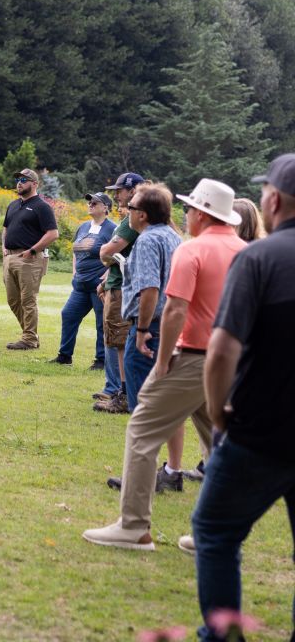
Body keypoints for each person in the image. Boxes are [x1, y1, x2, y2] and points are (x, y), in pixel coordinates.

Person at [82, 178, 244, 551]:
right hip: (229, 361)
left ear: (202, 213)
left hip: (190, 356)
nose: (185, 215)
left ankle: (133, 526)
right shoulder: (244, 250)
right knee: (218, 440)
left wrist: (163, 356)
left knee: (141, 431)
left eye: (189, 209)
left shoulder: (194, 249)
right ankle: (216, 533)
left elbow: (175, 309)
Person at [189, 153, 295, 641]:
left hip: (260, 429)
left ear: (272, 200)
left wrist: (217, 412)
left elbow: (222, 351)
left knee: (215, 532)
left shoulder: (259, 259)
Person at [118, 184, 182, 413]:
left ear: (142, 215)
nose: (127, 212)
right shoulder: (174, 237)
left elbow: (150, 289)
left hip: (149, 330)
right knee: (162, 404)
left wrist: (142, 330)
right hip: (168, 326)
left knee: (142, 409)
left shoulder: (147, 240)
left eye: (130, 207)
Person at [94, 172, 146, 414]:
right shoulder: (129, 219)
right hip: (116, 282)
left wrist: (107, 255)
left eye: (121, 190)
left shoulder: (133, 220)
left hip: (123, 287)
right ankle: (119, 390)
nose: (116, 194)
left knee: (121, 342)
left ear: (135, 189)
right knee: (116, 340)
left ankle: (124, 394)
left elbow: (108, 252)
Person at [50, 193, 115, 369]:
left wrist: (109, 273)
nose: (90, 204)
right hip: (80, 284)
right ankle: (64, 357)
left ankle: (101, 360)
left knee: (102, 322)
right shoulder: (83, 227)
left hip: (98, 285)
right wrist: (74, 270)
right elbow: (75, 250)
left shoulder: (112, 229)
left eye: (95, 202)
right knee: (68, 314)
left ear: (106, 207)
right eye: (89, 201)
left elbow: (120, 253)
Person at [1, 168, 59, 350]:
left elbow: (53, 233)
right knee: (13, 300)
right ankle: (30, 335)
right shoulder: (13, 205)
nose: (19, 182)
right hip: (10, 257)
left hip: (29, 259)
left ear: (35, 184)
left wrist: (33, 250)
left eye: (24, 179)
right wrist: (4, 247)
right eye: (18, 179)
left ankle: (29, 339)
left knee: (28, 300)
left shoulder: (42, 206)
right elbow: (5, 228)